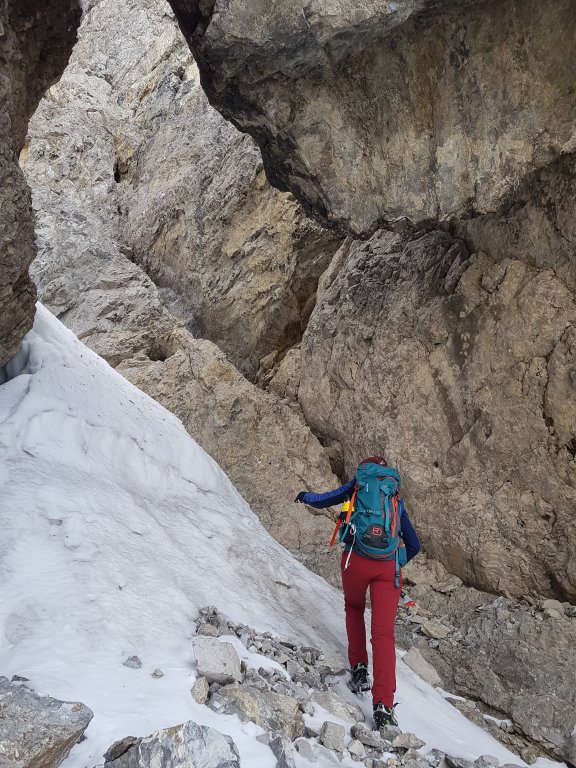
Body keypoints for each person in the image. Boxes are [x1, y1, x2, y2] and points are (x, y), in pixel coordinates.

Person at [295, 456, 420, 730]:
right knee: (384, 634)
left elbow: (325, 499)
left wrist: (304, 496)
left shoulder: (358, 485)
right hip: (387, 569)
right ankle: (384, 707)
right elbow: (414, 544)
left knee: (354, 608)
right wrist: (396, 561)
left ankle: (360, 670)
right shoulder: (394, 497)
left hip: (356, 560)